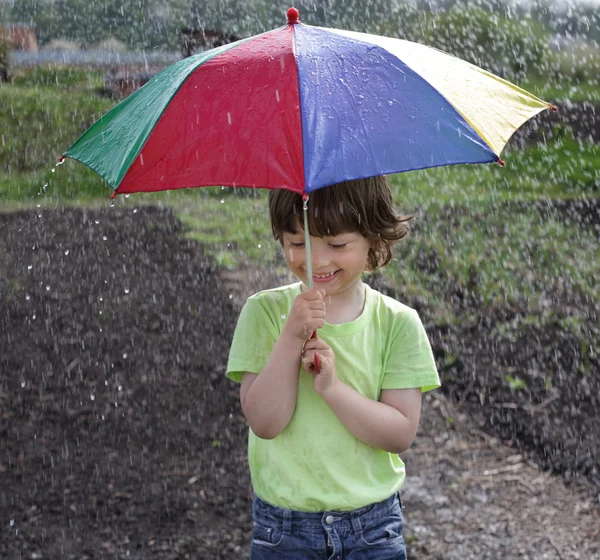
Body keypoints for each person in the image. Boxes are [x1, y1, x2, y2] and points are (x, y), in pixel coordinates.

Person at [227, 176, 440, 559]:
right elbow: (265, 422)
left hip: (372, 530)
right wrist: (291, 338)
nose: (316, 260)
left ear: (373, 238)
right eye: (297, 243)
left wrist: (332, 390)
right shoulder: (265, 314)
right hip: (284, 531)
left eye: (337, 244)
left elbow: (400, 433)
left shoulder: (397, 324)